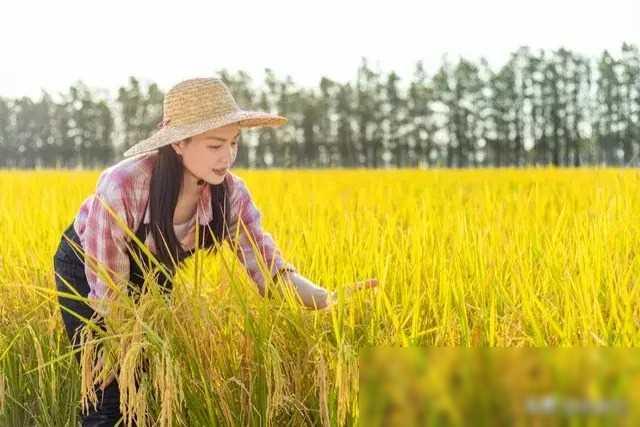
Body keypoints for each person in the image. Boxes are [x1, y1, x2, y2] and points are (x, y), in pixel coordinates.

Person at [52, 77, 378, 426]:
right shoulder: (124, 185)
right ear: (179, 143)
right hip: (87, 269)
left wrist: (325, 298)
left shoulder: (231, 195)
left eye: (234, 143)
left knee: (148, 393)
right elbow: (110, 296)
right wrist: (128, 349)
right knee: (112, 391)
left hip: (154, 273)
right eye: (215, 145)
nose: (227, 157)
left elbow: (270, 271)